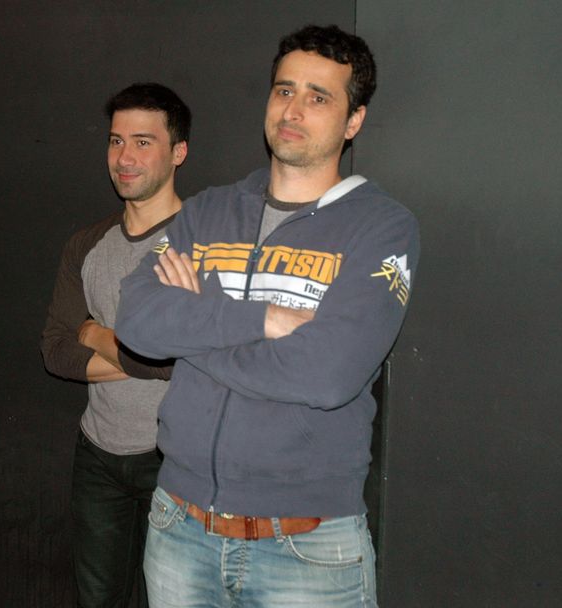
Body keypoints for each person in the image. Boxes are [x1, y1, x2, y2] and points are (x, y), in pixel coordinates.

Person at [116, 25, 420, 607]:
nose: (293, 110)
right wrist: (264, 320)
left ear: (353, 121)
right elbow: (136, 322)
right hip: (179, 527)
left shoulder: (382, 228)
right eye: (284, 90)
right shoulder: (207, 212)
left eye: (318, 97)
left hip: (306, 549)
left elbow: (327, 375)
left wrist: (194, 332)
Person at [40, 83, 191, 607]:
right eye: (116, 140)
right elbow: (56, 350)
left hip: (176, 459)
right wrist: (150, 355)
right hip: (98, 457)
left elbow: (188, 359)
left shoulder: (204, 243)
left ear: (178, 152)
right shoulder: (87, 244)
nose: (125, 157)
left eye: (143, 142)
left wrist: (94, 334)